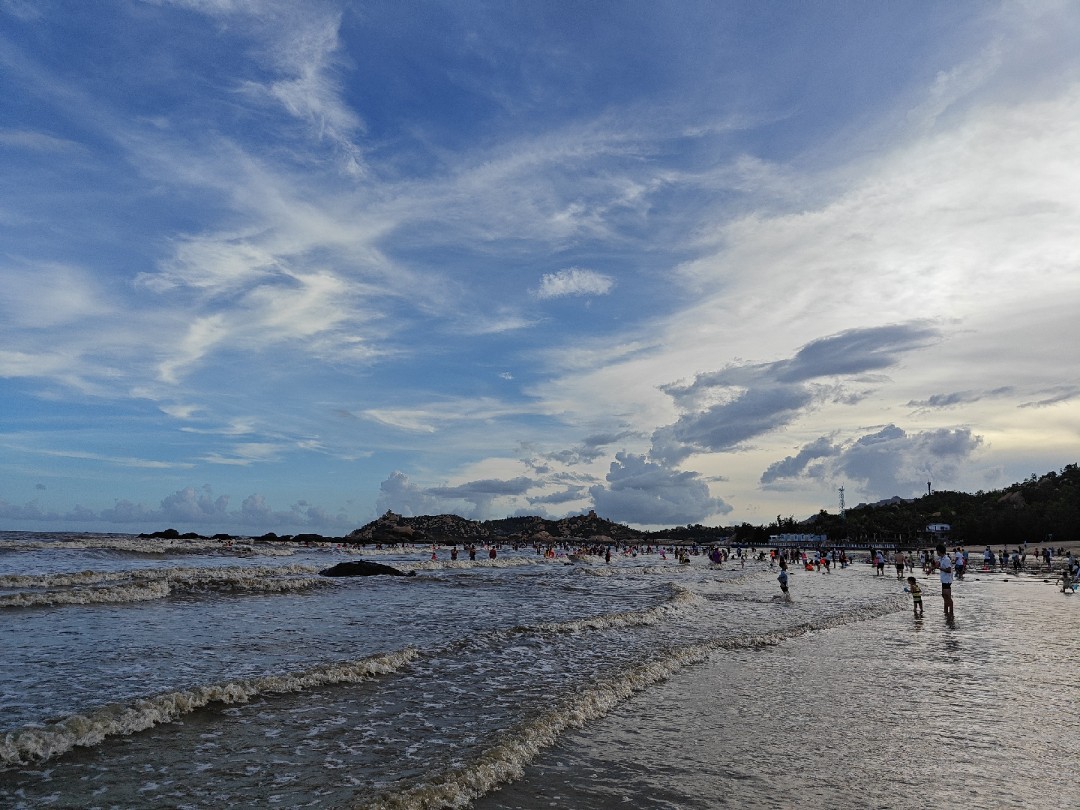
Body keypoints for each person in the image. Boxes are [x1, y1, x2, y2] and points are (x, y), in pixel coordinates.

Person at [937, 543, 954, 619]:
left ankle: (951, 612)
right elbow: (937, 564)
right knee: (944, 596)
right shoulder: (941, 558)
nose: (936, 552)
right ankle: (946, 612)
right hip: (944, 580)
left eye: (937, 551)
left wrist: (940, 568)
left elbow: (949, 570)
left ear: (940, 551)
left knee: (947, 596)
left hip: (947, 580)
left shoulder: (946, 559)